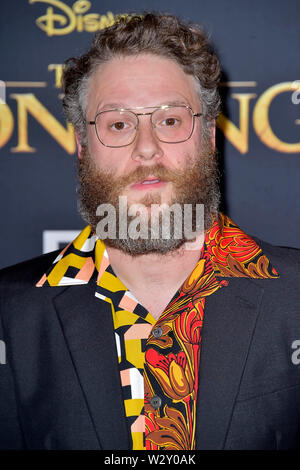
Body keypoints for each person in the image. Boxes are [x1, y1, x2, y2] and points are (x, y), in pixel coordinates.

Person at [0, 13, 299, 451]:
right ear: (83, 147)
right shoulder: (9, 317)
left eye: (170, 120)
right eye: (118, 124)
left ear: (209, 138)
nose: (146, 148)